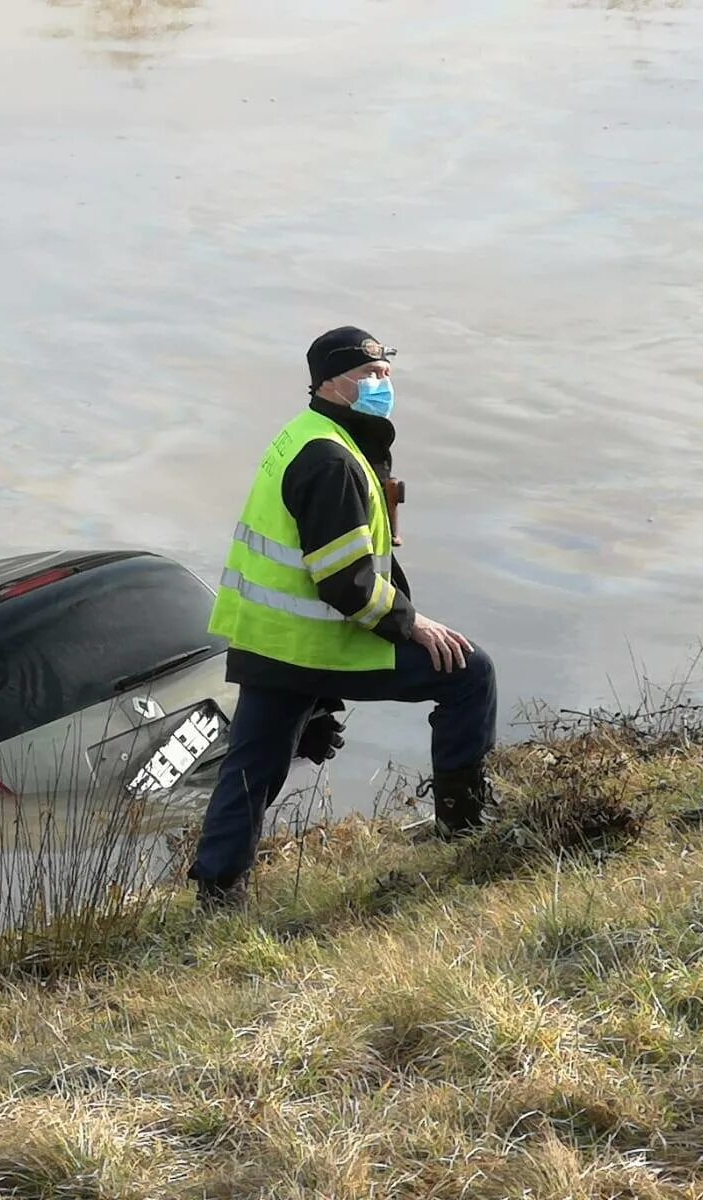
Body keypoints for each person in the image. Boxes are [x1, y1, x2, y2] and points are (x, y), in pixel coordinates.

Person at [189, 327, 498, 908]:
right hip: (317, 643)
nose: (383, 384)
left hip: (270, 642)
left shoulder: (303, 434)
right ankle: (466, 830)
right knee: (469, 673)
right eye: (369, 375)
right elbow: (346, 584)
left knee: (252, 767)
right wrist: (413, 624)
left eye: (386, 373)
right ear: (330, 382)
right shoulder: (330, 460)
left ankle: (217, 889)